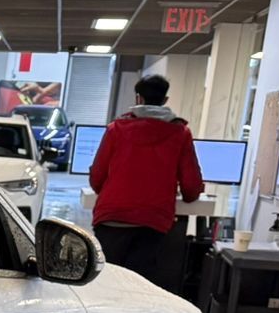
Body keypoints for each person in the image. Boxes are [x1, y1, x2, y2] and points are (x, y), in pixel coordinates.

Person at [86, 74, 204, 288]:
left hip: (112, 216)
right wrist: (188, 195)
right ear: (165, 100)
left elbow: (97, 177)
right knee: (138, 284)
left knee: (103, 280)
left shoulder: (116, 129)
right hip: (152, 221)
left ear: (138, 98)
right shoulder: (181, 133)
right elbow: (191, 184)